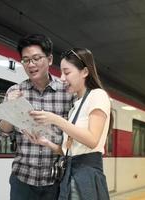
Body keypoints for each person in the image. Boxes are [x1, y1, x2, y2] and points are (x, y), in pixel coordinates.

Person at [0, 34, 73, 200]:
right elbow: (2, 133)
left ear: (50, 59)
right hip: (22, 179)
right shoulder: (14, 91)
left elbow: (74, 136)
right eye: (25, 60)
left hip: (56, 180)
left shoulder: (67, 93)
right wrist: (10, 107)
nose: (31, 64)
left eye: (36, 58)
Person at [28, 47, 112, 200]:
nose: (61, 78)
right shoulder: (76, 106)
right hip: (71, 175)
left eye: (66, 72)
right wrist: (46, 143)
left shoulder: (98, 95)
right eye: (61, 72)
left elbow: (92, 140)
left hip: (85, 177)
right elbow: (70, 151)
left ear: (85, 72)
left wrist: (56, 119)